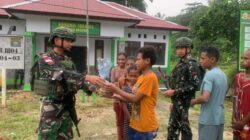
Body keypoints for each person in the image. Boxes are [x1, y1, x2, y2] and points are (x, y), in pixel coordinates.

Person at [34, 27, 104, 140]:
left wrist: (92, 87)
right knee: (48, 135)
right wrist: (87, 77)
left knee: (65, 135)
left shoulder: (68, 60)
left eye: (71, 41)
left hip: (66, 106)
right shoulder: (45, 58)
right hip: (51, 107)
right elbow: (59, 73)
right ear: (57, 41)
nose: (70, 43)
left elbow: (76, 79)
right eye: (68, 40)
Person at [105, 46, 159, 140]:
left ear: (147, 60)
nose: (136, 62)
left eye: (138, 59)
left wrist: (116, 89)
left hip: (145, 127)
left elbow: (135, 99)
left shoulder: (150, 77)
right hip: (135, 123)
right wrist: (114, 95)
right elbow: (132, 97)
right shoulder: (142, 76)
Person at [163, 37, 201, 140]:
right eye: (177, 48)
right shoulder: (181, 63)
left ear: (189, 49)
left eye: (182, 48)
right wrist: (169, 80)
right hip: (176, 102)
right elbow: (180, 80)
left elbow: (195, 85)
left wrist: (175, 91)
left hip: (184, 102)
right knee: (172, 128)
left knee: (184, 129)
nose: (179, 50)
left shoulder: (191, 64)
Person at [191, 46, 227, 140]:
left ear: (212, 59)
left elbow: (205, 98)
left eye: (203, 58)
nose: (200, 61)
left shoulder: (209, 75)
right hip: (219, 119)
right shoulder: (223, 75)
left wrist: (192, 101)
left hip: (208, 120)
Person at [117, 64, 140, 140]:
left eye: (135, 76)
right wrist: (130, 118)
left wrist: (136, 120)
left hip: (139, 119)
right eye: (131, 76)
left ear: (139, 76)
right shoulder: (125, 89)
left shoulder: (140, 88)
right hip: (128, 118)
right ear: (127, 76)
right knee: (128, 136)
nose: (133, 78)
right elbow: (123, 106)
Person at [232, 49, 250, 140]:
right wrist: (234, 118)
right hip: (237, 121)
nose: (242, 60)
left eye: (246, 58)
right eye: (242, 58)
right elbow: (235, 98)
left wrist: (243, 122)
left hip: (247, 123)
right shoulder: (238, 77)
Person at [110, 52, 127, 140]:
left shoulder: (128, 69)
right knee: (119, 122)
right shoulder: (114, 70)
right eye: (119, 59)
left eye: (123, 59)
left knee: (127, 121)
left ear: (126, 60)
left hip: (128, 98)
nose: (121, 61)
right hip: (117, 99)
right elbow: (112, 84)